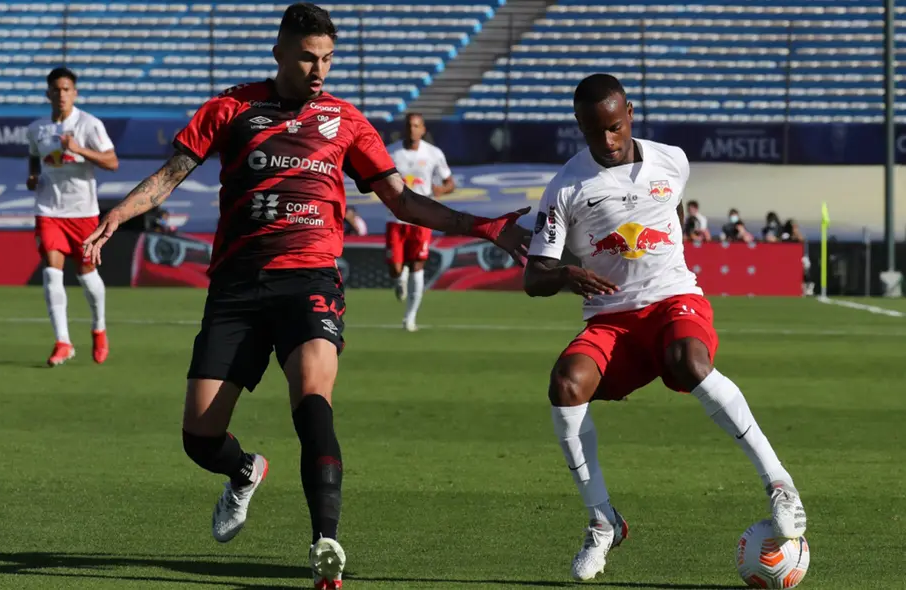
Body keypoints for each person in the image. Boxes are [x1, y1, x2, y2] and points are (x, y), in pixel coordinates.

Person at [80, 4, 529, 588]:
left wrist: (481, 225)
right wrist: (118, 214)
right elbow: (170, 175)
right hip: (238, 285)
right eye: (307, 58)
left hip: (310, 279)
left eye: (327, 59)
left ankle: (325, 545)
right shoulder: (231, 108)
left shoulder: (346, 121)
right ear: (279, 54)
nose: (319, 70)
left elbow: (403, 201)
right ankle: (245, 470)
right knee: (199, 438)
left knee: (313, 398)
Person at [523, 74, 806, 582]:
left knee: (690, 362)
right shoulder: (565, 186)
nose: (607, 141)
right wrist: (565, 274)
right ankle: (602, 522)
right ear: (579, 126)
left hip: (674, 299)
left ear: (630, 113)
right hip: (611, 319)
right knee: (565, 384)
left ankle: (780, 484)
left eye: (614, 127)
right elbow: (534, 276)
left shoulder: (672, 160)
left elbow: (669, 209)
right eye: (594, 131)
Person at [27, 66, 119, 367]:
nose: (62, 94)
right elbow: (33, 155)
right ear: (48, 94)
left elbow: (112, 162)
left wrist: (78, 149)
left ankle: (99, 328)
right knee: (51, 272)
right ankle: (63, 342)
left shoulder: (89, 125)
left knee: (87, 275)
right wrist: (33, 175)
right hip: (49, 210)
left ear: (75, 93)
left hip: (83, 212)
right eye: (56, 90)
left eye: (67, 89)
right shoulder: (37, 129)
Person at [384, 112, 454, 331]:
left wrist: (442, 189)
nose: (412, 130)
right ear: (403, 128)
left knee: (417, 264)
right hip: (396, 217)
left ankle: (410, 318)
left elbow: (450, 182)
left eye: (416, 126)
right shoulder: (391, 152)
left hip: (422, 217)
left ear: (423, 129)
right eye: (409, 126)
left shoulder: (433, 153)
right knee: (395, 269)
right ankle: (400, 277)